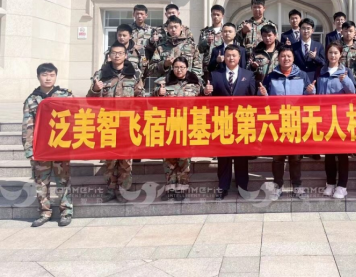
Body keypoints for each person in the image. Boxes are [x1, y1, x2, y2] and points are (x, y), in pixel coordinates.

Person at [87, 41, 144, 203]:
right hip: (108, 123)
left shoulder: (134, 74)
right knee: (110, 160)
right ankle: (111, 189)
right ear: (109, 55)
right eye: (114, 53)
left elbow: (140, 99)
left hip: (127, 123)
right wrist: (95, 90)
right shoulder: (100, 74)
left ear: (126, 55)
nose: (117, 56)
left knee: (126, 160)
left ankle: (123, 191)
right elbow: (90, 100)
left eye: (120, 53)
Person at [258, 46, 316, 200]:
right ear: (278, 58)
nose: (286, 59)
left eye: (289, 56)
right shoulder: (271, 76)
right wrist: (263, 94)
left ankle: (297, 186)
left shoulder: (302, 75)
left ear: (293, 58)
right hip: (277, 122)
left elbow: (309, 98)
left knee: (295, 157)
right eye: (283, 56)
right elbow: (263, 99)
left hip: (295, 121)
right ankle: (277, 186)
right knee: (278, 158)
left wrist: (311, 91)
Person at [23, 63, 74, 227]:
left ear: (56, 76)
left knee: (63, 180)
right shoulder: (31, 100)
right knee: (41, 183)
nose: (48, 78)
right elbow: (27, 127)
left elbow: (77, 117)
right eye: (44, 75)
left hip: (60, 146)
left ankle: (66, 211)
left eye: (51, 75)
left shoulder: (65, 96)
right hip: (41, 147)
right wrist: (29, 150)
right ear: (38, 77)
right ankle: (45, 212)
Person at [205, 45, 256, 200]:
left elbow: (253, 98)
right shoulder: (215, 75)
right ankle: (223, 186)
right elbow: (208, 101)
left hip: (242, 121)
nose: (231, 58)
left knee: (242, 156)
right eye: (228, 55)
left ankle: (242, 187)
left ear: (239, 57)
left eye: (234, 55)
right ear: (224, 58)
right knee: (224, 156)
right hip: (222, 121)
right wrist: (206, 93)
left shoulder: (248, 75)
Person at [153, 56, 204, 201]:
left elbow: (204, 101)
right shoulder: (163, 81)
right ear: (172, 68)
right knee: (169, 159)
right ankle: (170, 188)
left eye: (182, 67)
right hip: (168, 125)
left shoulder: (196, 83)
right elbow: (150, 99)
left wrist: (207, 92)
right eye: (176, 67)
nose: (179, 70)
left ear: (187, 68)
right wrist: (158, 94)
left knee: (184, 159)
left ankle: (182, 188)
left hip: (187, 126)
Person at [316, 42, 356, 199]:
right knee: (329, 153)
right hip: (325, 117)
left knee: (342, 152)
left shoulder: (346, 71)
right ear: (326, 54)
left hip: (341, 117)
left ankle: (342, 186)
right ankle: (330, 183)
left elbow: (352, 93)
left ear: (340, 55)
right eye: (330, 53)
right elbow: (317, 93)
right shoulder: (321, 71)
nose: (333, 55)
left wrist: (345, 80)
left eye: (335, 53)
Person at [148, 16, 202, 80]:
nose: (173, 30)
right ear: (167, 29)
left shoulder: (191, 46)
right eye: (171, 27)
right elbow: (151, 70)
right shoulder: (161, 47)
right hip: (167, 82)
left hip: (187, 83)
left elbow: (198, 68)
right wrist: (164, 64)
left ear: (181, 28)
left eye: (176, 27)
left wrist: (190, 79)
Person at [292, 17, 326, 81]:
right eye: (303, 28)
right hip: (298, 78)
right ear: (299, 30)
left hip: (314, 79)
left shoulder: (319, 46)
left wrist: (315, 57)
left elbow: (324, 63)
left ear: (312, 30)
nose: (306, 31)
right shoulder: (294, 46)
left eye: (308, 28)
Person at [199, 4, 225, 81]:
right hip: (207, 66)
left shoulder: (226, 31)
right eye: (213, 14)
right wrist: (206, 42)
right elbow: (199, 49)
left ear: (222, 16)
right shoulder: (205, 31)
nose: (215, 17)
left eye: (218, 15)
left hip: (222, 64)